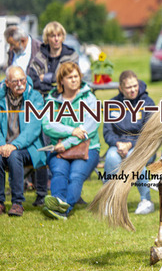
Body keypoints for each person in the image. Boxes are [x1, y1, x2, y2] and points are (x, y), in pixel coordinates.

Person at [41, 62, 100, 220]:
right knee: (59, 172)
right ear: (61, 81)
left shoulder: (89, 98)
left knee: (75, 175)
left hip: (87, 149)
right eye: (70, 77)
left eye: (76, 76)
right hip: (59, 148)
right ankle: (58, 202)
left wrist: (67, 143)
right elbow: (48, 125)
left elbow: (90, 127)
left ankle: (63, 209)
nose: (74, 80)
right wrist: (72, 130)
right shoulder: (52, 100)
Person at [103, 71, 156, 215]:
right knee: (111, 157)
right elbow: (107, 133)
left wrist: (130, 144)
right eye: (128, 87)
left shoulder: (147, 103)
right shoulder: (112, 104)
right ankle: (111, 200)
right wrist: (118, 143)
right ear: (120, 88)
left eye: (135, 86)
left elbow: (149, 134)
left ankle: (146, 200)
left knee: (134, 158)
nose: (133, 90)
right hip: (118, 146)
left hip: (142, 147)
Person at [0, 66, 47, 216]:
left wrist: (14, 145)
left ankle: (17, 203)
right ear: (7, 83)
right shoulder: (1, 98)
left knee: (14, 155)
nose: (20, 84)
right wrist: (2, 145)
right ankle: (0, 203)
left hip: (29, 147)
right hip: (4, 146)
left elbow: (34, 129)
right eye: (15, 81)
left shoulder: (35, 97)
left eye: (22, 80)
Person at [27, 21, 78, 97]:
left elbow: (70, 79)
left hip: (64, 97)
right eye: (53, 36)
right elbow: (33, 80)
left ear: (63, 37)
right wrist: (53, 85)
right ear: (47, 38)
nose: (56, 39)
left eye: (59, 35)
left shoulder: (71, 56)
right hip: (42, 97)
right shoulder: (39, 56)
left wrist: (45, 78)